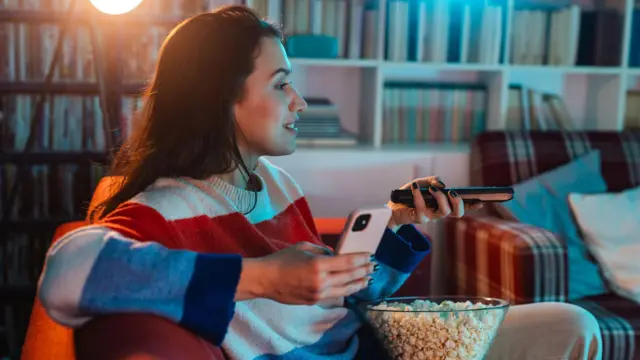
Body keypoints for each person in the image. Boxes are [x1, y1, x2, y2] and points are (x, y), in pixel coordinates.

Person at [37, 5, 603, 360]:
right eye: (281, 84)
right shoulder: (164, 213)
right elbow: (68, 271)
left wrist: (394, 218)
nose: (300, 102)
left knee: (572, 325)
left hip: (368, 343)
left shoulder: (276, 182)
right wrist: (262, 278)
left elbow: (340, 304)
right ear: (221, 99)